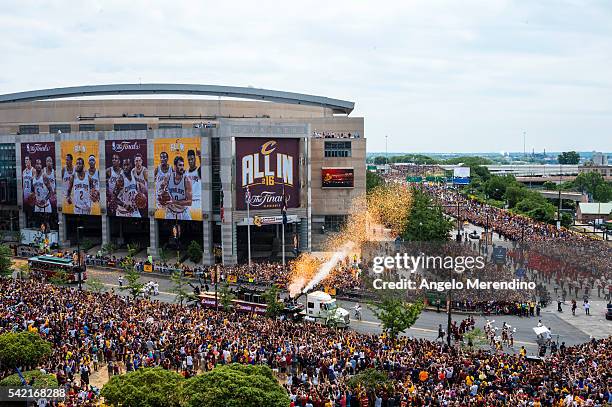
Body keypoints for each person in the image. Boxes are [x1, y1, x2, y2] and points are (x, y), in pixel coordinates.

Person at [161, 156, 193, 220]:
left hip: (183, 212)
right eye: (180, 165)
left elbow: (189, 202)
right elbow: (161, 192)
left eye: (183, 165)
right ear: (175, 167)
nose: (182, 167)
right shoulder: (168, 177)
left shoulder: (187, 180)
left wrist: (174, 202)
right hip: (170, 211)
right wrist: (162, 195)